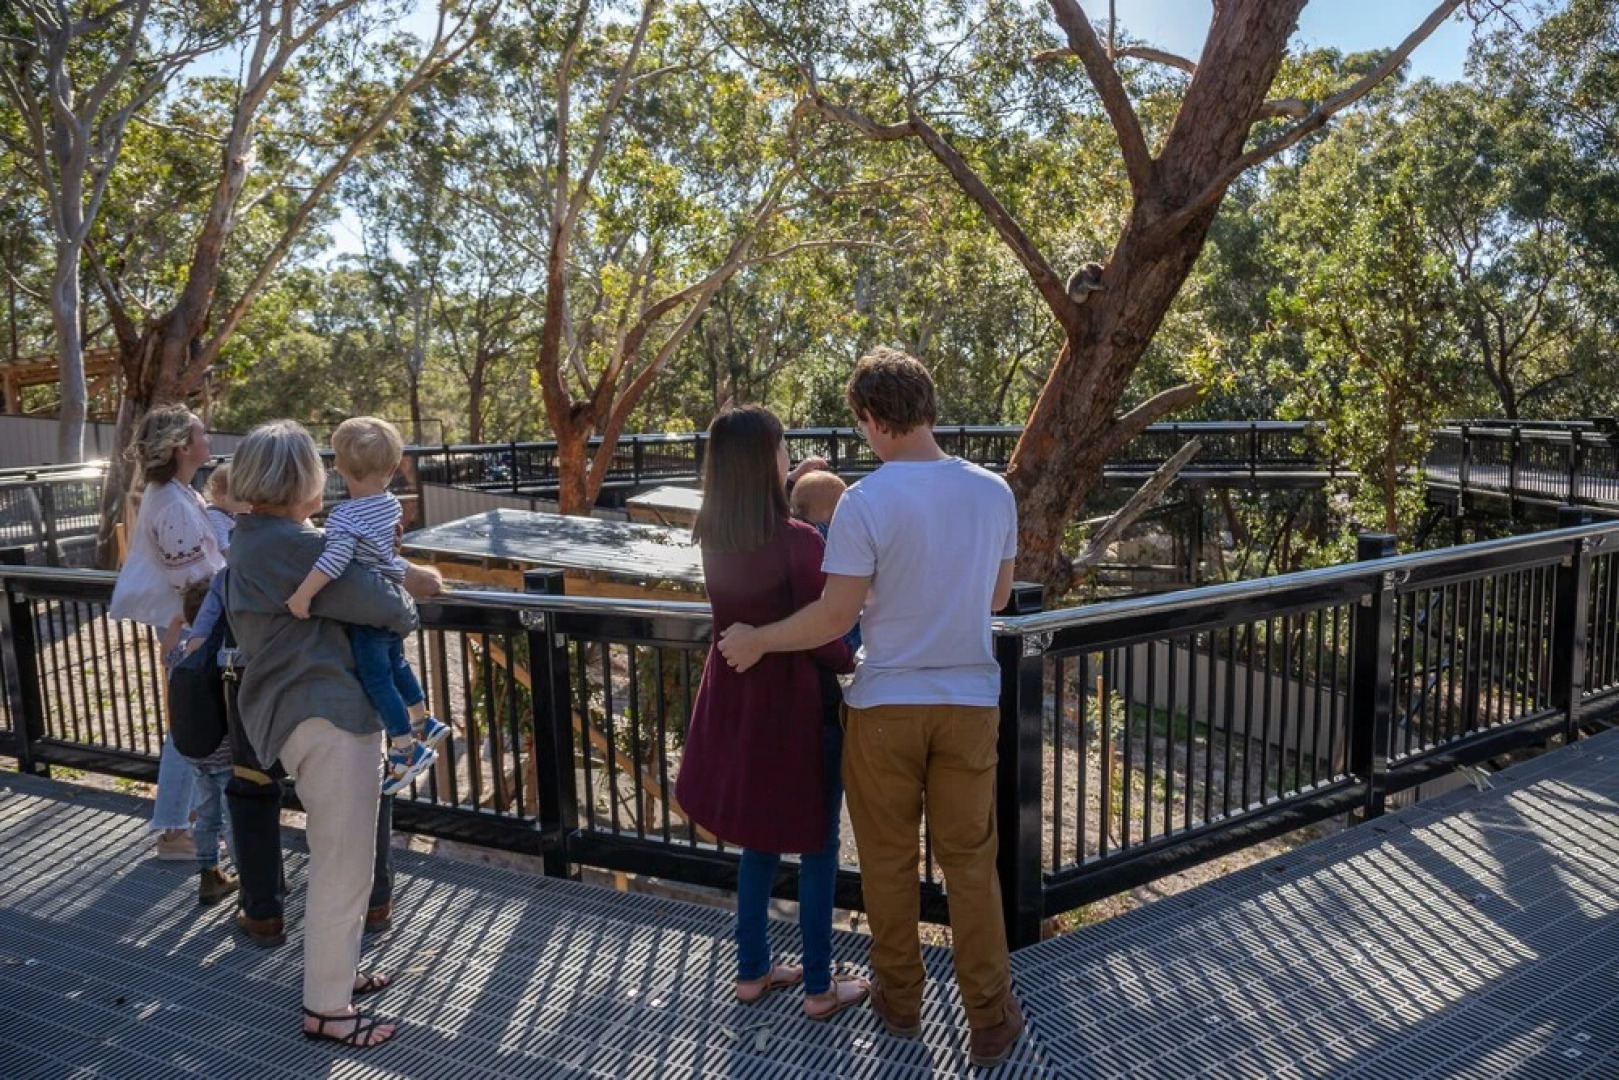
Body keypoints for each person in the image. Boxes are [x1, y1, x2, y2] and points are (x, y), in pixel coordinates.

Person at [717, 347, 1025, 1068]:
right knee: (970, 865)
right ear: (927, 405)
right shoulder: (992, 493)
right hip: (969, 703)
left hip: (884, 704)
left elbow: (832, 618)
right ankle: (988, 1017)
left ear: (867, 419)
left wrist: (759, 640)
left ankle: (899, 1003)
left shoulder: (864, 503)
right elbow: (998, 599)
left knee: (886, 866)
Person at [225, 419, 442, 1048]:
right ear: (301, 479)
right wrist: (406, 590)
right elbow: (385, 609)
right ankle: (326, 1008)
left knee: (343, 856)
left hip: (303, 710)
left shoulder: (262, 537)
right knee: (344, 864)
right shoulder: (292, 545)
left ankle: (336, 979)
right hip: (326, 713)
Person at [674, 406, 870, 1021]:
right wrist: (851, 661)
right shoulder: (799, 541)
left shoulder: (714, 533)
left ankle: (752, 971)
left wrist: (795, 485)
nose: (790, 455)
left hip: (741, 703)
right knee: (815, 845)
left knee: (758, 843)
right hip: (797, 708)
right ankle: (818, 986)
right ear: (767, 459)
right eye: (784, 447)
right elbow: (823, 628)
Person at [285, 417, 447, 795]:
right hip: (392, 597)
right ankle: (424, 720)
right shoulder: (389, 505)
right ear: (392, 469)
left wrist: (304, 593)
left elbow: (335, 559)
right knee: (396, 664)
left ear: (338, 467)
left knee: (376, 678)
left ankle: (405, 750)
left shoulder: (345, 516)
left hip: (368, 608)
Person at [108, 405, 224, 860]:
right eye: (201, 434)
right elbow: (193, 583)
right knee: (189, 725)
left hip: (191, 623)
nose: (208, 440)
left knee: (194, 721)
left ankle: (184, 822)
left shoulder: (177, 492)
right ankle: (175, 830)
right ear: (181, 446)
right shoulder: (173, 503)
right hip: (192, 625)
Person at [170, 575, 237, 906]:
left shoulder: (182, 652)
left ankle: (209, 873)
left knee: (207, 814)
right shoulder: (221, 653)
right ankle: (249, 875)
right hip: (225, 752)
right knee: (235, 816)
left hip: (195, 752)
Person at [204, 463, 248, 553]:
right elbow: (224, 549)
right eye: (241, 497)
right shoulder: (215, 516)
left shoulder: (230, 511)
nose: (248, 501)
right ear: (222, 497)